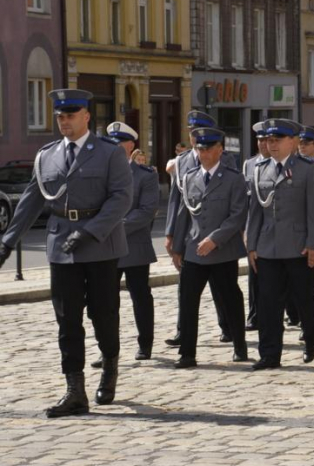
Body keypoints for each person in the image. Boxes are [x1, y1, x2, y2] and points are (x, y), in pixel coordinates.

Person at [0, 89, 132, 417]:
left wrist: (90, 231)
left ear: (86, 116)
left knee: (103, 315)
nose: (64, 121)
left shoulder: (108, 153)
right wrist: (6, 242)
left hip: (100, 245)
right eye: (59, 116)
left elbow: (120, 199)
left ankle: (110, 367)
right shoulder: (47, 155)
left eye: (70, 115)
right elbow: (33, 199)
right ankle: (75, 389)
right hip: (61, 245)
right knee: (66, 320)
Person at [246, 119, 314, 369]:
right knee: (268, 303)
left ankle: (311, 338)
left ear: (293, 141)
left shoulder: (308, 168)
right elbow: (256, 211)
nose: (272, 144)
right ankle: (269, 354)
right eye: (269, 140)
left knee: (305, 299)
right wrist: (251, 245)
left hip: (299, 246)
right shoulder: (260, 169)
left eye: (277, 140)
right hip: (268, 246)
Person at [170, 127, 248, 368]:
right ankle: (187, 353)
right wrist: (176, 246)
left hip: (222, 251)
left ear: (219, 150)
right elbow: (184, 213)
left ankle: (239, 346)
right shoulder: (190, 177)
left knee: (230, 299)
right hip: (194, 250)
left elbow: (237, 215)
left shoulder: (234, 178)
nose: (203, 153)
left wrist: (215, 239)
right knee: (188, 300)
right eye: (199, 148)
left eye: (208, 148)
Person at [164, 111, 237, 347]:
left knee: (222, 287)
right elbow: (177, 200)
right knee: (186, 287)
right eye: (191, 133)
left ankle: (227, 325)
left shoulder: (226, 159)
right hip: (191, 234)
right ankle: (182, 331)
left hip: (219, 235)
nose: (194, 138)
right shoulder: (183, 161)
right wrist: (171, 234)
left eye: (197, 133)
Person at [92, 122, 159, 366]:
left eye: (121, 143)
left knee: (140, 296)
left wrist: (114, 226)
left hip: (134, 245)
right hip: (107, 247)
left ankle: (145, 344)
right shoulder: (100, 173)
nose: (116, 147)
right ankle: (108, 350)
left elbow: (147, 210)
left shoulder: (146, 175)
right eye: (112, 142)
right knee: (107, 301)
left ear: (131, 145)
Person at [242, 122, 271, 331]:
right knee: (254, 273)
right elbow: (247, 202)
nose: (262, 144)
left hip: (279, 228)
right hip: (257, 228)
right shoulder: (250, 165)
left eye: (266, 140)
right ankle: (254, 315)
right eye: (259, 140)